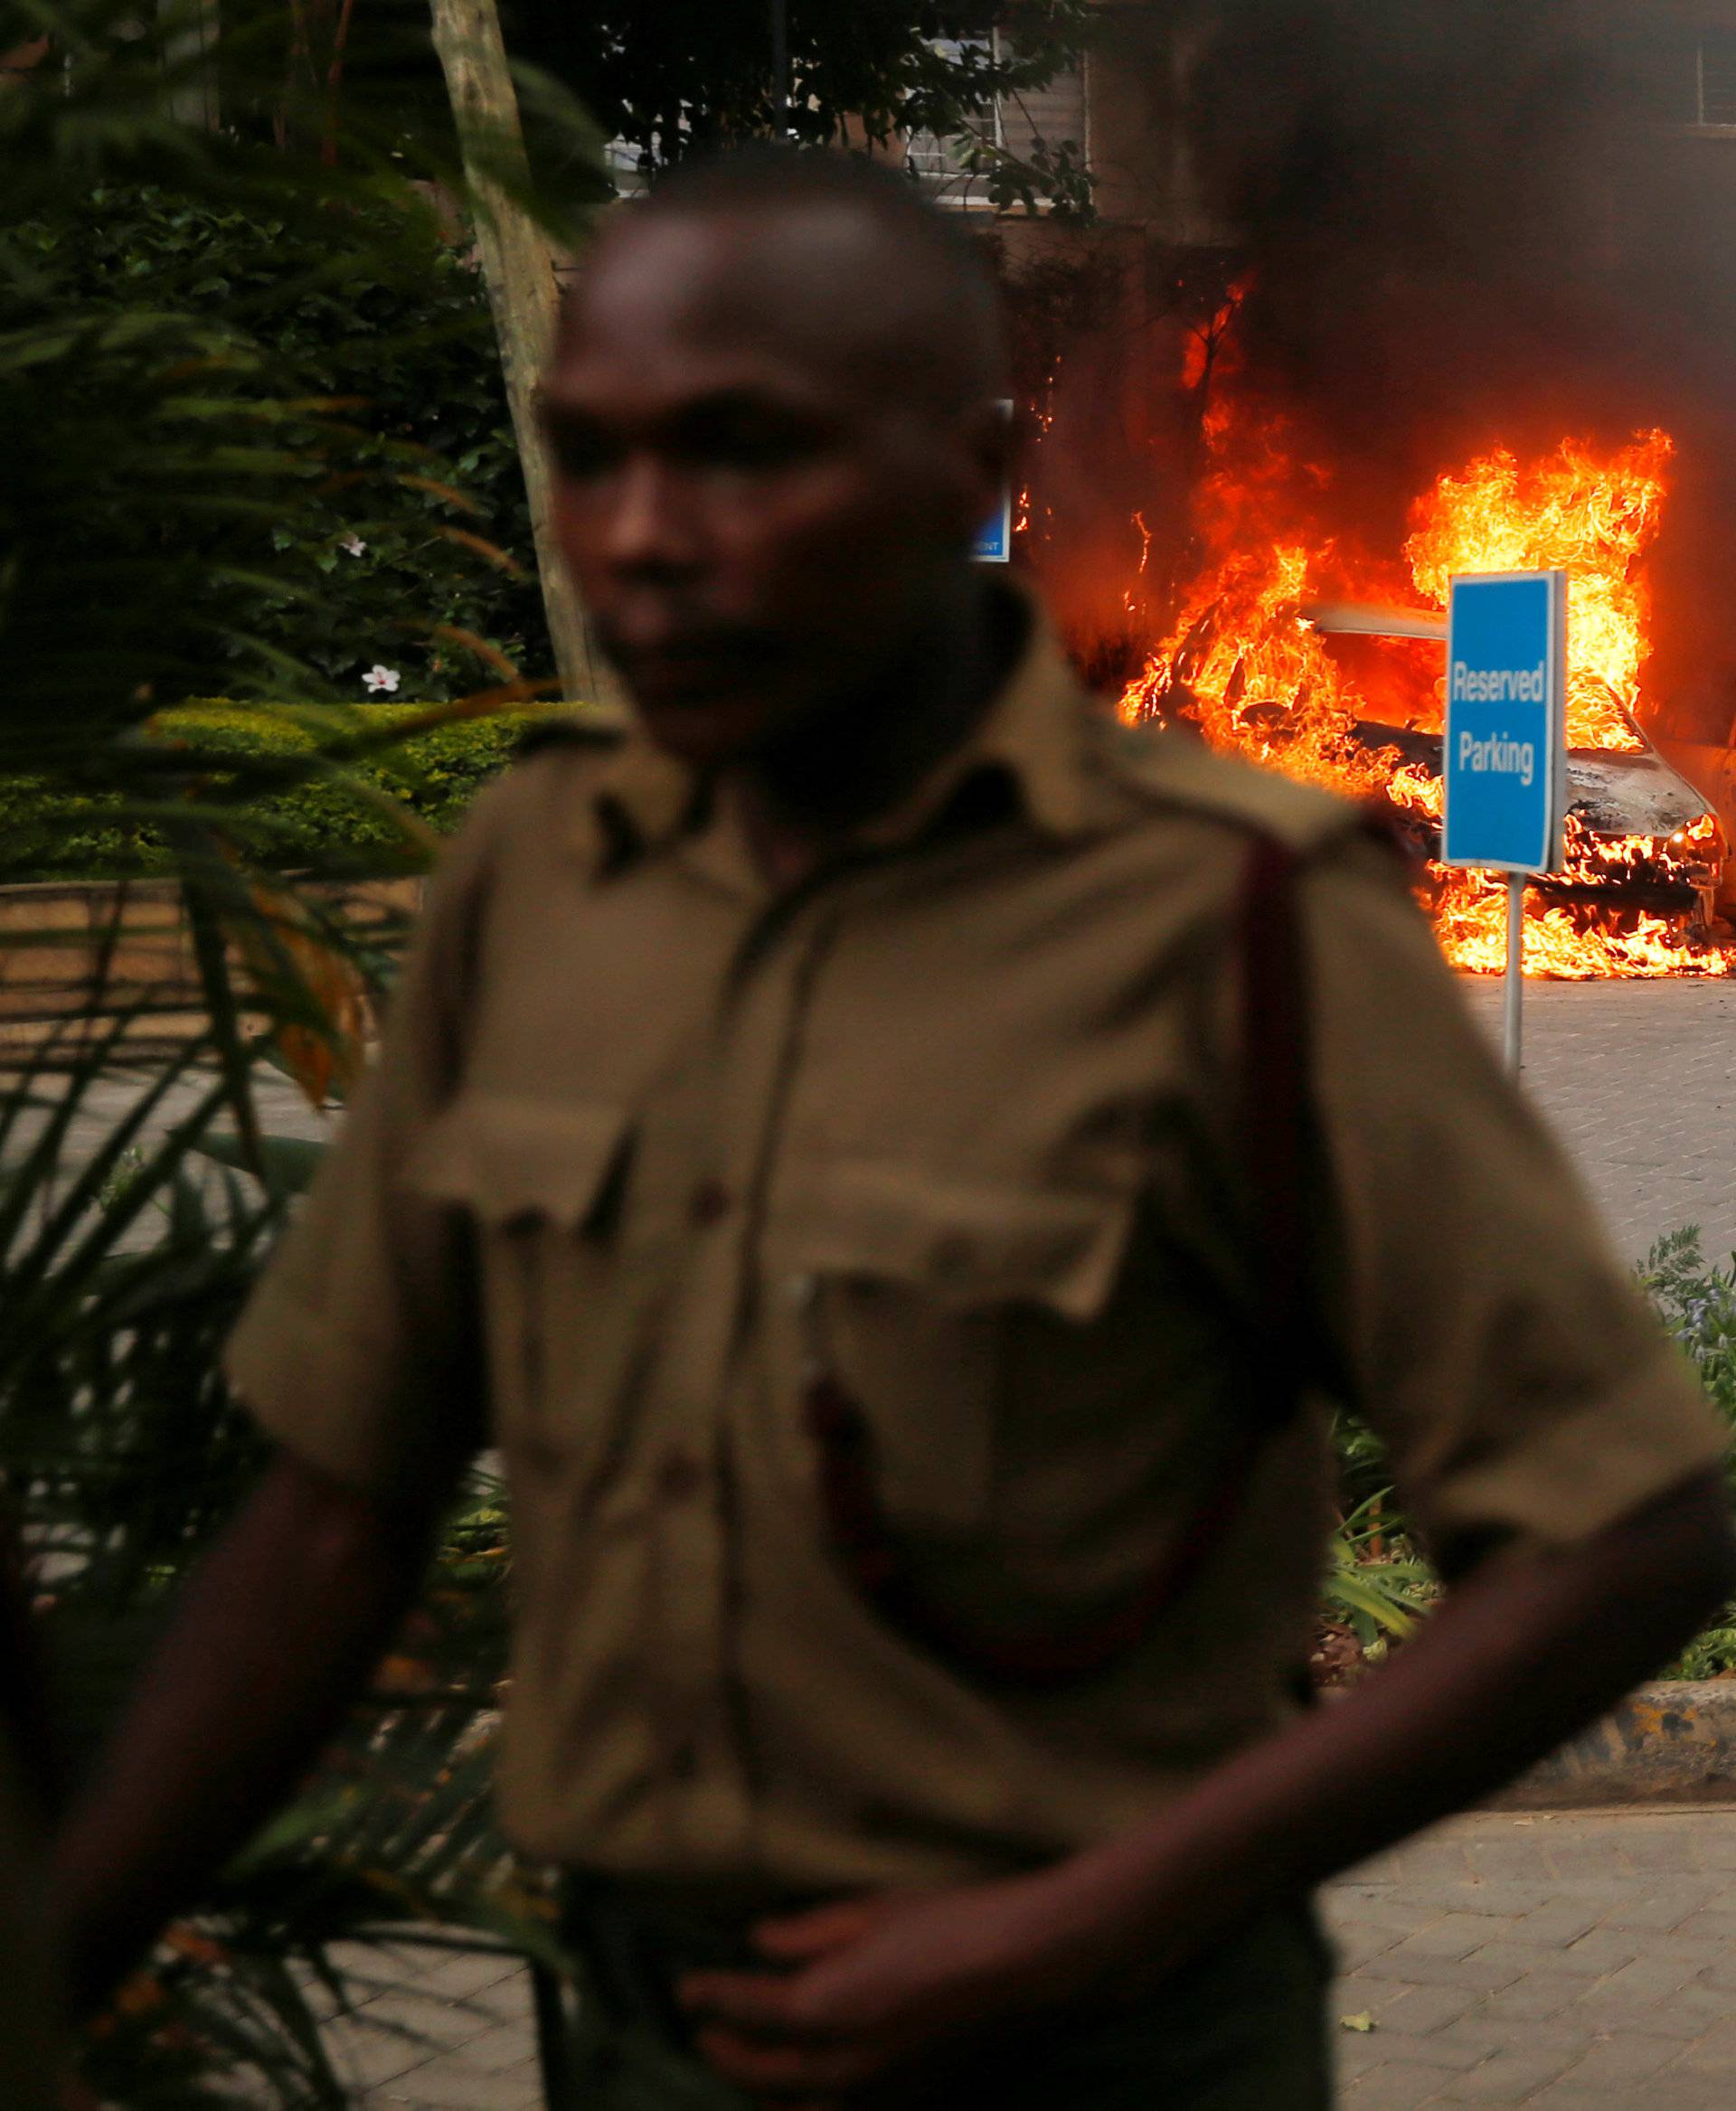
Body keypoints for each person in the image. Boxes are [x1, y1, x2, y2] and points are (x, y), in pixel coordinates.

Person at [52, 149, 1736, 2108]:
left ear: (962, 467)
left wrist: (1093, 1918)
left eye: (742, 452)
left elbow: (1625, 1530)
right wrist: (66, 1938)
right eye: (592, 456)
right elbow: (341, 1506)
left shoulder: (1235, 915)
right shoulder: (536, 876)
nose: (646, 532)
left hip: (1100, 2046)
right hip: (637, 2033)